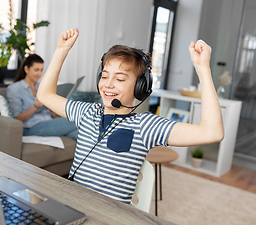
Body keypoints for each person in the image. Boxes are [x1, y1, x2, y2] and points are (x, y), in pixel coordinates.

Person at [37, 28, 224, 204]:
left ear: (139, 87)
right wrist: (61, 51)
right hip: (73, 208)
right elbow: (44, 95)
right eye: (104, 76)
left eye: (119, 79)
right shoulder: (86, 113)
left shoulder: (145, 125)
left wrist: (202, 68)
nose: (108, 84)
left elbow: (211, 132)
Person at [6, 54, 78, 140]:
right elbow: (17, 119)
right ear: (26, 69)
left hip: (48, 121)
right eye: (36, 70)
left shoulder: (41, 87)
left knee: (78, 132)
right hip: (30, 127)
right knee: (76, 120)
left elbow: (50, 113)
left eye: (41, 70)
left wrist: (53, 109)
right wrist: (35, 106)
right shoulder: (14, 89)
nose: (40, 74)